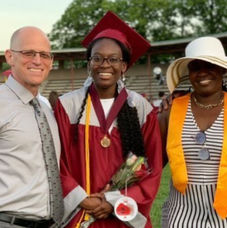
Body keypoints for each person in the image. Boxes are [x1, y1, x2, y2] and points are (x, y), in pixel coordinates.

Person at [54, 11, 162, 228]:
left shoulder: (140, 107)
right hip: (80, 214)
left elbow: (152, 165)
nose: (105, 65)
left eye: (113, 59)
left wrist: (113, 202)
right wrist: (81, 198)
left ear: (124, 66)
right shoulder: (68, 106)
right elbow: (57, 163)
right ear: (88, 63)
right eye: (97, 58)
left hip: (122, 213)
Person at [159, 36, 227, 227]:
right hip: (183, 211)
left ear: (223, 69)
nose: (203, 73)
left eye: (210, 65)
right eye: (196, 67)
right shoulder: (170, 111)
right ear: (189, 72)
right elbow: (153, 161)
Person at [0, 27, 63, 227]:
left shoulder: (47, 109)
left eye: (44, 55)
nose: (37, 60)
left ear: (51, 62)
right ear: (10, 56)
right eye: (28, 53)